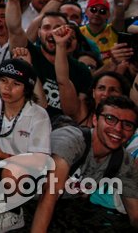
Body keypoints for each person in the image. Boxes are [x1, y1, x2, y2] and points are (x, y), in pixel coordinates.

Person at [31, 96, 138, 231]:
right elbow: (49, 195)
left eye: (127, 124)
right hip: (17, 201)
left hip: (62, 207)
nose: (118, 128)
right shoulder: (71, 141)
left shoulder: (124, 161)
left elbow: (135, 216)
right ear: (95, 119)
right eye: (110, 119)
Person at [0, 58, 51, 232]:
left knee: (11, 174)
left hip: (24, 168)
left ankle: (15, 212)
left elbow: (40, 161)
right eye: (3, 81)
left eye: (16, 84)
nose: (7, 87)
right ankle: (1, 205)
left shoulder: (38, 115)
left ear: (27, 88)